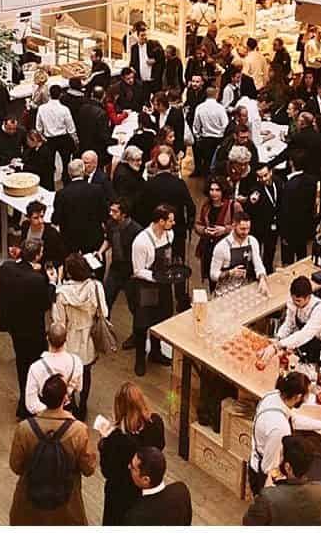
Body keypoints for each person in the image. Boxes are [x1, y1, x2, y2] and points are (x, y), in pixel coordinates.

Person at [9, 373, 99, 525]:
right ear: (65, 398)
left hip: (30, 503)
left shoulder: (24, 428)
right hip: (66, 504)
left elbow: (16, 466)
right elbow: (88, 469)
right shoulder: (78, 430)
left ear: (42, 396)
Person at [246, 372, 321, 496]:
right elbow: (268, 468)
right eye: (307, 395)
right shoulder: (280, 428)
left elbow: (294, 420)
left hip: (259, 459)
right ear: (298, 397)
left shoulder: (274, 396)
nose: (307, 398)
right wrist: (273, 496)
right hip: (263, 477)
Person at [0, 242, 55, 418]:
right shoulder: (37, 280)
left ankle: (23, 400)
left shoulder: (7, 267)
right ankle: (33, 402)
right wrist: (52, 283)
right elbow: (45, 304)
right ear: (38, 256)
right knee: (36, 365)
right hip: (33, 330)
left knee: (21, 364)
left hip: (14, 326)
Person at [99, 383, 167, 525]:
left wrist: (103, 444)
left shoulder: (115, 438)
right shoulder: (156, 422)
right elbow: (160, 446)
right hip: (148, 488)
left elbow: (107, 471)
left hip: (120, 493)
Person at [48, 257, 105, 417]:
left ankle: (70, 403)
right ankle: (84, 406)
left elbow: (59, 322)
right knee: (86, 373)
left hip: (70, 339)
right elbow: (104, 313)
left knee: (68, 373)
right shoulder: (96, 287)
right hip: (89, 338)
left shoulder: (61, 293)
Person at [128, 203, 181, 375]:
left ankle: (156, 353)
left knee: (161, 320)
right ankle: (140, 360)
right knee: (143, 323)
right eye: (170, 221)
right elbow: (137, 270)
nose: (173, 224)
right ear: (160, 221)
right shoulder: (141, 242)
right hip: (146, 287)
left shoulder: (169, 235)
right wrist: (156, 277)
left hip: (164, 285)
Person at [243, 433, 321, 525]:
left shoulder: (268, 497)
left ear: (288, 467)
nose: (279, 460)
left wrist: (267, 489)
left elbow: (248, 523)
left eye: (281, 456)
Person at [268, 275, 321, 366]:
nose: (295, 303)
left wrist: (279, 345)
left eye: (298, 301)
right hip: (307, 347)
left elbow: (305, 334)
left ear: (308, 297)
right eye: (293, 300)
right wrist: (278, 338)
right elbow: (289, 324)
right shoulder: (293, 303)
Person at [123, 446, 191, 525]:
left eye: (133, 467)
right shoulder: (181, 490)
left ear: (146, 480)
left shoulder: (135, 517)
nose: (128, 466)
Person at [195, 176, 240, 282]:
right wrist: (205, 230)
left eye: (217, 190)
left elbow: (241, 226)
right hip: (209, 248)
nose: (214, 193)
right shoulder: (206, 206)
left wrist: (225, 230)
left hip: (227, 249)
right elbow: (198, 224)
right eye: (211, 190)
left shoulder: (233, 206)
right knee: (213, 279)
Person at [278, 161, 320, 269]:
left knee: (288, 261)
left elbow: (285, 211)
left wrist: (283, 232)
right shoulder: (312, 180)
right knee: (302, 255)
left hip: (290, 229)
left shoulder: (288, 185)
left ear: (292, 163)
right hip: (304, 226)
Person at [191, 85, 230, 178]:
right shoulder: (220, 108)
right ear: (216, 95)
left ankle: (206, 183)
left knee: (207, 162)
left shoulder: (200, 107)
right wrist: (221, 132)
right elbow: (226, 124)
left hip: (205, 139)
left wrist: (197, 135)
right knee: (217, 163)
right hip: (219, 139)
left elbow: (196, 125)